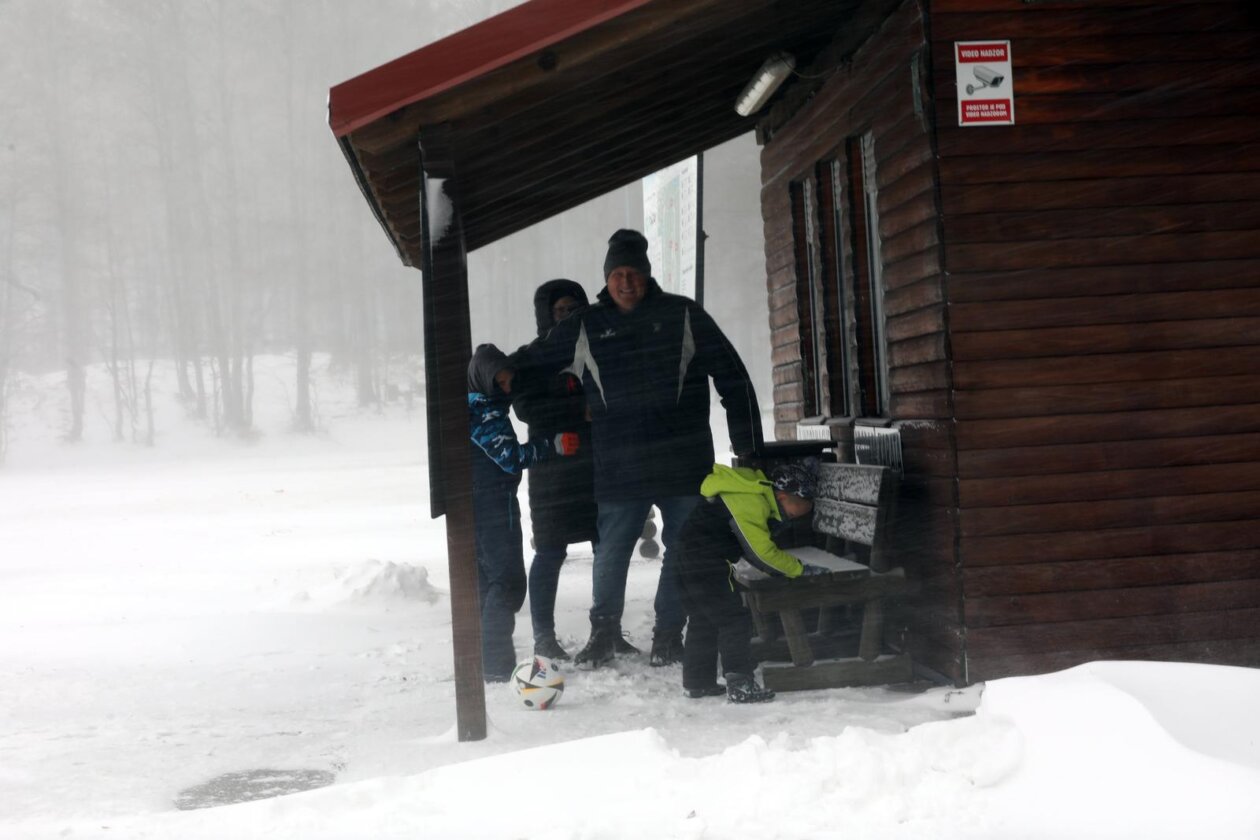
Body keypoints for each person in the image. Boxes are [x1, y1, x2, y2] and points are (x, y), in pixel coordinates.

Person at [509, 229, 761, 669]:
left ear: (647, 276)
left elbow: (734, 379)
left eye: (635, 273)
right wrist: (487, 371)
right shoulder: (585, 326)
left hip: (684, 462)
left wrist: (749, 446)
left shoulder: (684, 315)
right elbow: (527, 367)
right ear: (606, 279)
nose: (627, 282)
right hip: (619, 467)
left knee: (681, 551)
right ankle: (604, 633)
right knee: (611, 553)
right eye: (618, 274)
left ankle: (668, 635)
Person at [511, 279, 617, 660]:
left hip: (599, 464)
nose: (569, 316)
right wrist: (576, 412)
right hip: (552, 470)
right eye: (561, 311)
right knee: (551, 551)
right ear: (546, 315)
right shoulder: (531, 357)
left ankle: (609, 630)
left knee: (608, 548)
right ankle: (543, 635)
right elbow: (525, 407)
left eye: (575, 308)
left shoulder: (601, 349)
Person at [467, 343, 579, 681]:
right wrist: (554, 445)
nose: (506, 389)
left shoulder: (472, 405)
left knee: (488, 582)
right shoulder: (484, 412)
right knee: (509, 582)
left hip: (478, 501)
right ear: (483, 381)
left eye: (507, 382)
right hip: (493, 502)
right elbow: (511, 457)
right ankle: (497, 665)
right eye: (499, 383)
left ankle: (488, 661)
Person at [675, 460, 823, 703]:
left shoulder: (747, 494)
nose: (805, 512)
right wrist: (798, 569)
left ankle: (697, 682)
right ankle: (740, 682)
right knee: (734, 618)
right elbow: (760, 552)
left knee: (704, 619)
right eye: (804, 506)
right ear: (783, 496)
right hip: (707, 563)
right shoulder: (750, 503)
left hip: (688, 559)